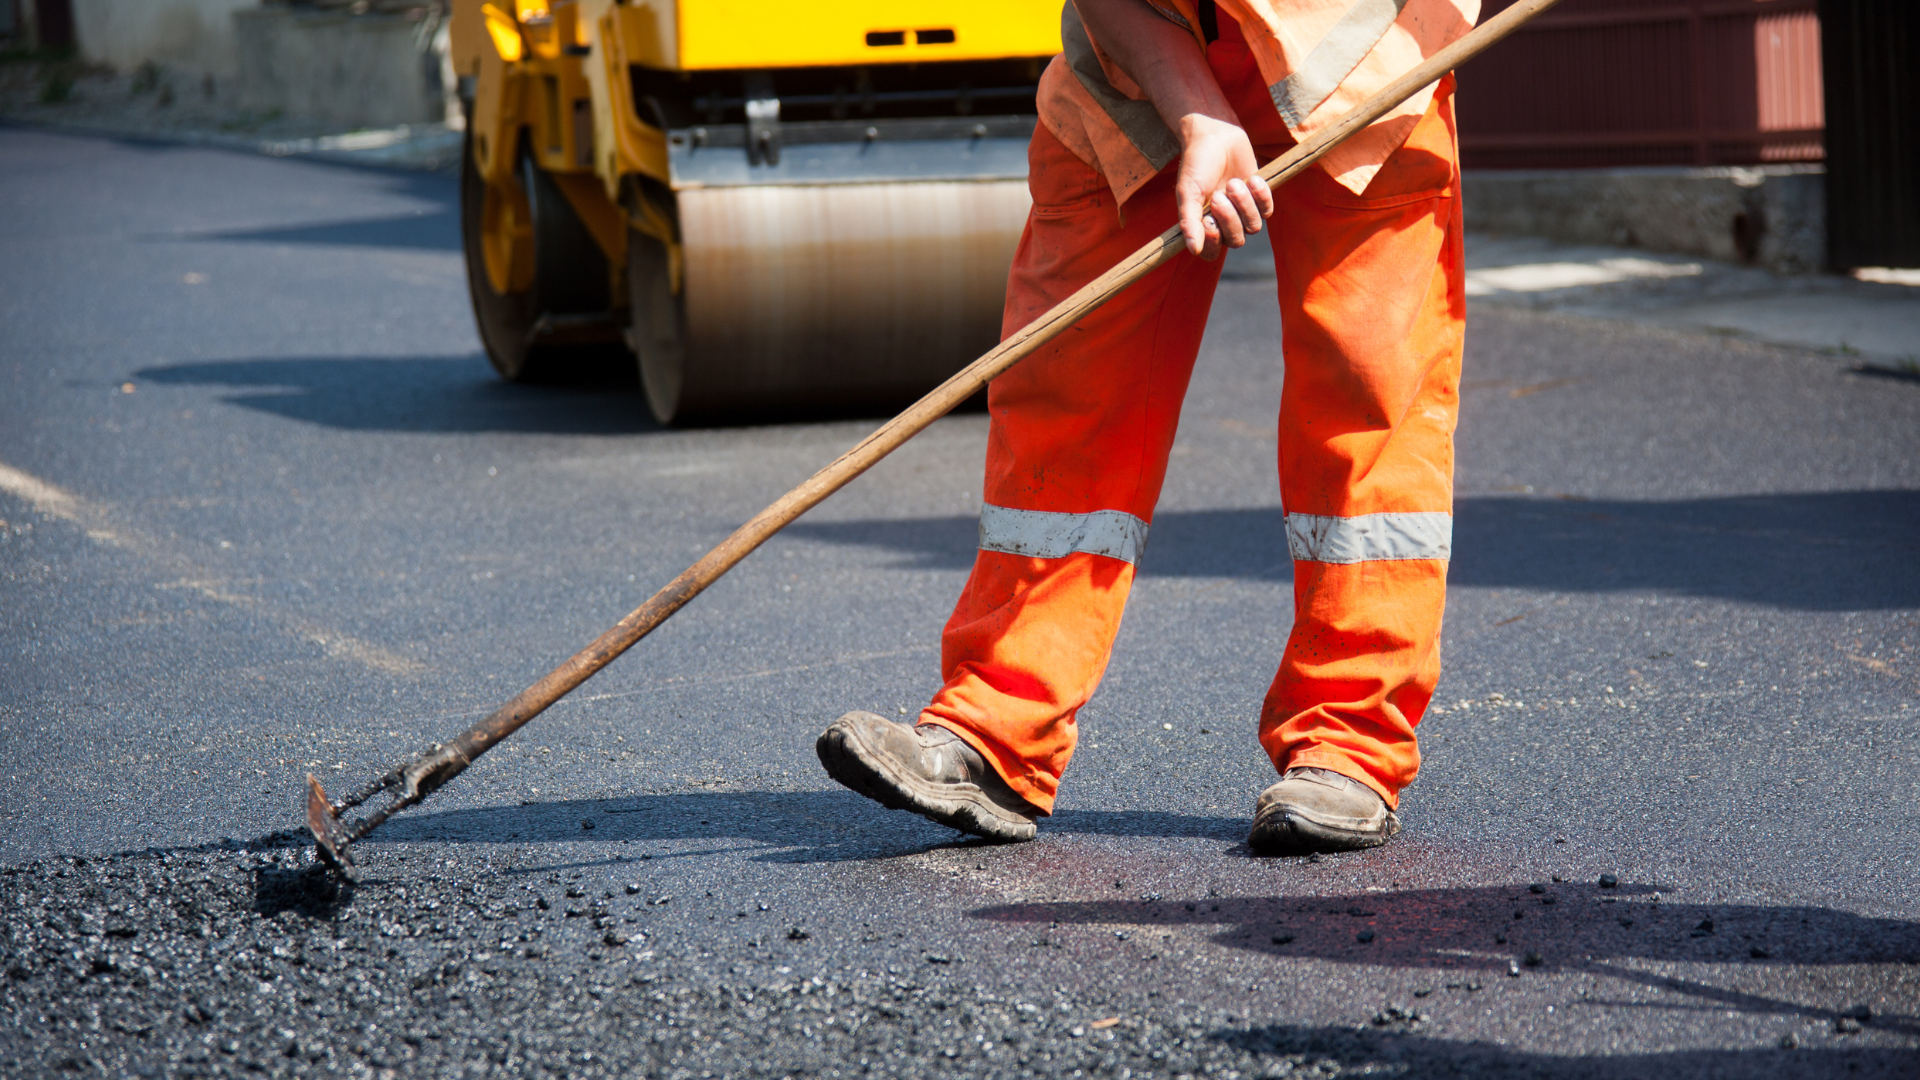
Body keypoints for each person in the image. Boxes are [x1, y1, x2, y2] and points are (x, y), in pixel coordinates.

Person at [817, 0, 1479, 855]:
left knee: (1368, 398)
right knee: (1066, 391)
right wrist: (1197, 111)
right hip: (1129, 78)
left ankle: (1349, 746)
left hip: (1364, 68)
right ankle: (997, 729)